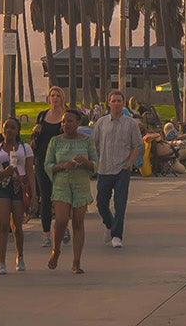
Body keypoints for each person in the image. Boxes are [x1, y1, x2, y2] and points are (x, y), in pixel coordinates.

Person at [44, 107, 94, 272]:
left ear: (78, 123)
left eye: (70, 121)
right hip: (61, 184)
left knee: (78, 222)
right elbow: (47, 165)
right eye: (64, 121)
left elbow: (95, 163)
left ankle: (76, 261)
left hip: (81, 185)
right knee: (61, 220)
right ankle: (56, 249)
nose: (66, 124)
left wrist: (84, 162)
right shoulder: (55, 141)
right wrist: (62, 166)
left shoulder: (86, 141)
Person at [91, 89, 142, 247]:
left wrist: (129, 163)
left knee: (120, 204)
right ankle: (110, 225)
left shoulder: (130, 124)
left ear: (124, 103)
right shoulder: (101, 123)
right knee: (101, 204)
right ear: (109, 103)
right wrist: (93, 162)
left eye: (119, 101)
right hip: (104, 169)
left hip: (122, 169)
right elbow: (93, 144)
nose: (116, 104)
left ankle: (117, 236)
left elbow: (137, 145)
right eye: (114, 101)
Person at [0, 115, 31, 272]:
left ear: (18, 130)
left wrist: (34, 195)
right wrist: (2, 173)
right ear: (2, 130)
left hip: (18, 187)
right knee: (3, 224)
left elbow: (30, 171)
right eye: (6, 127)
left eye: (13, 127)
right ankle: (2, 262)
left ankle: (20, 256)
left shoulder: (25, 149)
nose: (9, 130)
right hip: (1, 187)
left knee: (17, 226)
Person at [32, 86, 66, 229]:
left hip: (60, 160)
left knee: (59, 197)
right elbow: (34, 140)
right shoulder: (42, 115)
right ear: (49, 98)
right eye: (52, 95)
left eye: (58, 96)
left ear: (62, 98)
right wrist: (34, 133)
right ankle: (46, 231)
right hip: (42, 159)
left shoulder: (66, 116)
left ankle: (62, 227)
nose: (55, 98)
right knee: (45, 197)